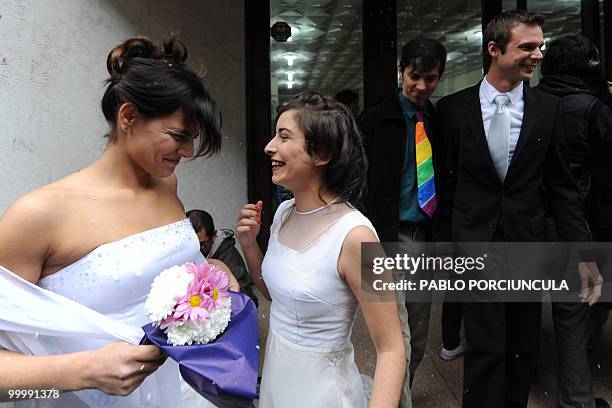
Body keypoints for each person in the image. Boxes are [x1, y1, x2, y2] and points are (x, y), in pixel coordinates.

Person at [0, 36, 238, 407]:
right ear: (128, 117)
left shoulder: (165, 184)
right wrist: (80, 372)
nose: (189, 152)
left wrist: (213, 272)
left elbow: (161, 271)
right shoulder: (38, 215)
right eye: (178, 136)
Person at [437, 11, 595, 407]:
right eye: (527, 46)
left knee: (524, 346)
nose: (538, 55)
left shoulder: (548, 108)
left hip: (528, 244)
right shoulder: (454, 109)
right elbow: (445, 185)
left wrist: (582, 253)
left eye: (540, 46)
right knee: (485, 348)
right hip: (474, 246)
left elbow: (562, 188)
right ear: (494, 49)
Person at [236, 91, 406, 407]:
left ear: (321, 153)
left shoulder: (357, 237)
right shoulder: (284, 213)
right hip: (277, 378)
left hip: (324, 392)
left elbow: (391, 347)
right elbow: (278, 295)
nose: (269, 147)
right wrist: (249, 245)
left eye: (284, 137)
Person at [357, 37, 453, 403]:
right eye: (415, 76)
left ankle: (397, 394)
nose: (422, 86)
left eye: (431, 78)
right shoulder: (374, 119)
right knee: (396, 336)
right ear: (401, 71)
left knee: (419, 329)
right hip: (385, 235)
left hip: (423, 233)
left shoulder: (437, 119)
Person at [538, 34, 612, 408]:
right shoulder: (592, 107)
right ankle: (577, 400)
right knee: (574, 309)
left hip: (536, 220)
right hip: (577, 221)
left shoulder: (533, 102)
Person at [186, 209, 258, 306]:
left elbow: (243, 298)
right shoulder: (182, 253)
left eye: (202, 245)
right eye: (191, 245)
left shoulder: (229, 257)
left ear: (214, 236)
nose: (196, 252)